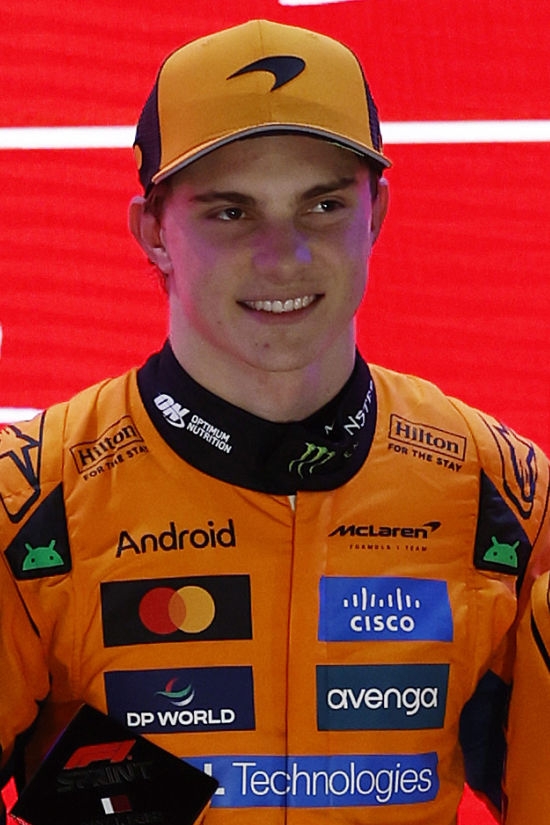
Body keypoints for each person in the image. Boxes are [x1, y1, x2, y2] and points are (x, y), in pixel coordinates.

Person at [0, 18, 548, 825]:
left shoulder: (503, 490)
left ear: (377, 212)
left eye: (323, 204)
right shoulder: (30, 498)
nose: (284, 255)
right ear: (152, 231)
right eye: (231, 212)